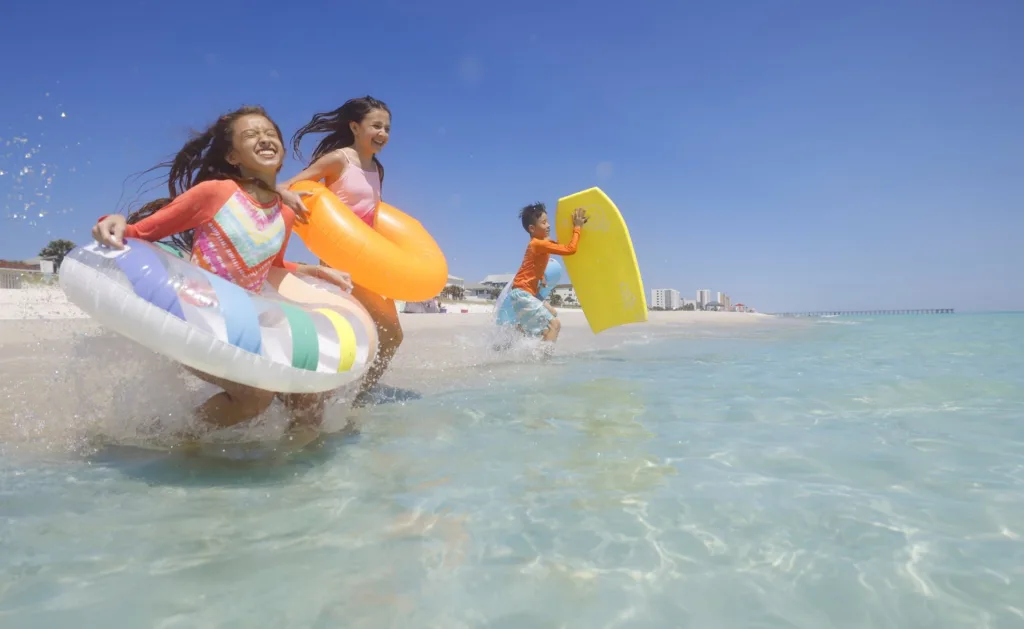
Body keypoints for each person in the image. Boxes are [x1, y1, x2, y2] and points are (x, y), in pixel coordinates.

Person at [91, 105, 353, 444]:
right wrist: (112, 220)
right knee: (254, 397)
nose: (264, 139)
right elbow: (142, 232)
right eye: (251, 135)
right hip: (197, 316)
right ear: (232, 156)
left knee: (309, 399)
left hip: (242, 323)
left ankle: (290, 475)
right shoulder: (216, 193)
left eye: (270, 134)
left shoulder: (285, 212)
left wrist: (313, 270)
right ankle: (173, 440)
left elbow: (270, 264)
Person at [284, 96, 401, 406]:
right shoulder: (339, 160)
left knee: (385, 335)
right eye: (376, 126)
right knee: (376, 333)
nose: (383, 133)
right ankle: (339, 398)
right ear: (354, 127)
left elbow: (371, 215)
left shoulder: (377, 168)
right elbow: (288, 186)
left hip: (369, 262)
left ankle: (354, 395)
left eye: (387, 128)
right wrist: (290, 198)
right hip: (340, 262)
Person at [509, 202, 588, 345]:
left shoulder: (540, 243)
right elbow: (570, 249)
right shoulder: (539, 244)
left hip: (524, 293)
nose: (548, 225)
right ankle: (544, 357)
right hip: (523, 293)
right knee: (555, 324)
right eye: (544, 222)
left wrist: (541, 277)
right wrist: (577, 227)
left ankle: (515, 339)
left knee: (551, 317)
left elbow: (531, 265)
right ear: (532, 228)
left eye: (548, 221)